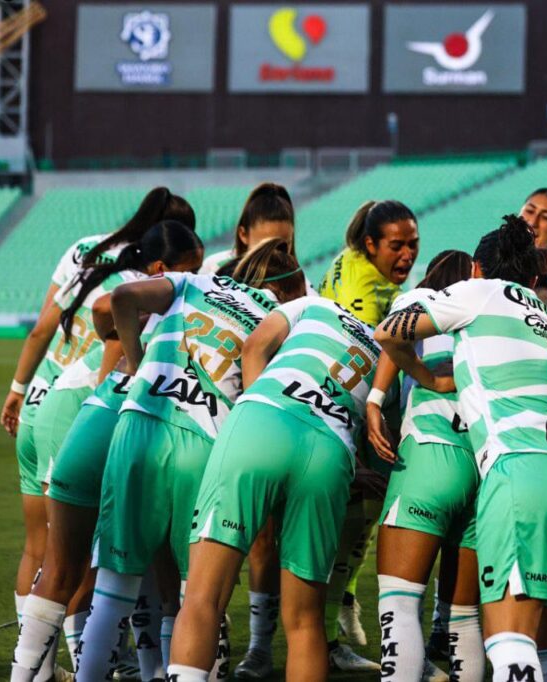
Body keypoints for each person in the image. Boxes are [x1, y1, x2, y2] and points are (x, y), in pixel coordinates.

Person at [376, 215, 547, 682]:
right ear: (535, 276)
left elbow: (388, 332)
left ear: (477, 269)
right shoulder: (545, 316)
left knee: (509, 643)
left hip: (520, 470)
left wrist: (424, 378)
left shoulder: (479, 292)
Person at [73, 239, 304, 682]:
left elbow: (120, 298)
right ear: (291, 288)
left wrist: (140, 363)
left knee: (112, 594)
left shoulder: (194, 283)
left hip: (139, 424)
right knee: (197, 599)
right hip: (205, 442)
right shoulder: (281, 324)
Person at [0, 186, 193, 680]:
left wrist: (19, 388)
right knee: (88, 556)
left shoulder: (90, 255)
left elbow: (44, 326)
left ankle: (45, 668)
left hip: (45, 398)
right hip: (83, 407)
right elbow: (113, 356)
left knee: (42, 549)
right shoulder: (153, 288)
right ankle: (93, 658)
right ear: (164, 257)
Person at [166, 288, 382, 682]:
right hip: (329, 451)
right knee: (305, 622)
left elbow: (254, 348)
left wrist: (255, 415)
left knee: (202, 597)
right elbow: (381, 433)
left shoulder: (313, 304)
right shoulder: (383, 351)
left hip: (264, 418)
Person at [197, 182, 310, 680]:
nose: (279, 253)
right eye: (269, 245)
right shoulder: (211, 275)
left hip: (260, 429)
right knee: (203, 545)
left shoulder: (296, 285)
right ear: (242, 236)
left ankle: (259, 650)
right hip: (204, 424)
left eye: (285, 244)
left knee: (264, 540)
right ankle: (205, 643)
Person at [365, 250, 484, 682]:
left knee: (398, 603)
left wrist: (376, 400)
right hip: (481, 461)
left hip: (430, 450)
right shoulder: (484, 315)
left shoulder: (421, 298)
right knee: (464, 616)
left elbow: (391, 336)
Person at [317, 199, 420, 671]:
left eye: (413, 244)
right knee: (351, 519)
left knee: (348, 523)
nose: (407, 254)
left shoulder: (350, 265)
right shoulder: (365, 285)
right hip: (343, 415)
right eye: (396, 246)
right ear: (370, 244)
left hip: (329, 412)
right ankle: (328, 624)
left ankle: (342, 601)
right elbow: (361, 352)